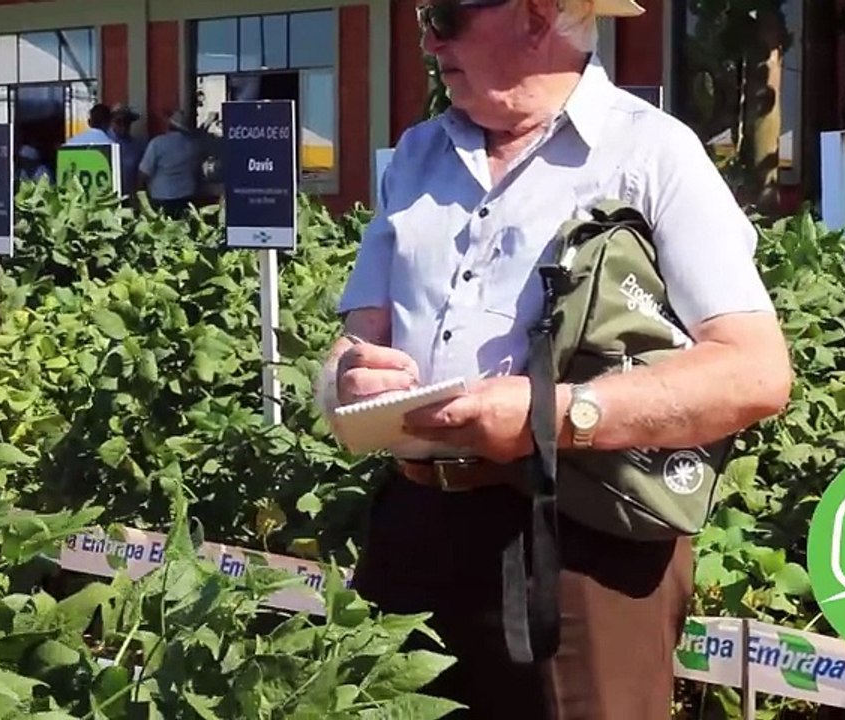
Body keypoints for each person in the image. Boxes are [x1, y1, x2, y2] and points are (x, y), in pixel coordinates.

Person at [314, 0, 794, 717]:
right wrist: (345, 377)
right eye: (423, 16)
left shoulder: (652, 153)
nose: (427, 39)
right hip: (415, 521)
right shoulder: (416, 154)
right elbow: (356, 340)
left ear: (537, 17)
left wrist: (553, 416)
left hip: (580, 541)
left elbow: (753, 371)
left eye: (445, 15)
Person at [137, 110, 201, 218]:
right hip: (186, 196)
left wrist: (139, 197)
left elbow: (143, 173)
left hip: (161, 196)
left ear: (169, 125)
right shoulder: (194, 145)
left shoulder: (157, 143)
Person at [110, 103, 146, 195]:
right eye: (119, 121)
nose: (123, 125)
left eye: (126, 122)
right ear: (111, 122)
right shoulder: (105, 142)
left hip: (130, 194)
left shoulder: (138, 146)